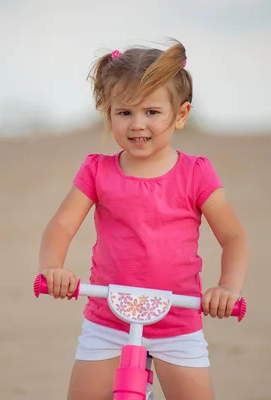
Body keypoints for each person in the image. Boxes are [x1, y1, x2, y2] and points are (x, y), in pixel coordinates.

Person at [37, 39, 250, 400]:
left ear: (180, 115)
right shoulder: (97, 171)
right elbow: (61, 226)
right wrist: (52, 268)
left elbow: (233, 236)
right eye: (125, 113)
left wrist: (227, 287)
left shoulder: (195, 174)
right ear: (109, 114)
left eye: (152, 112)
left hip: (177, 322)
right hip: (108, 319)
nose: (138, 124)